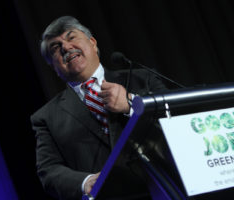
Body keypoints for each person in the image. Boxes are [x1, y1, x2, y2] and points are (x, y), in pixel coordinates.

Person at [30, 16, 167, 200]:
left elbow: (175, 119)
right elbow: (48, 171)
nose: (66, 47)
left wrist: (132, 105)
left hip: (165, 188)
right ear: (53, 66)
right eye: (55, 47)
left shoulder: (143, 78)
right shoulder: (45, 117)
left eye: (71, 38)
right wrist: (85, 182)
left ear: (93, 43)